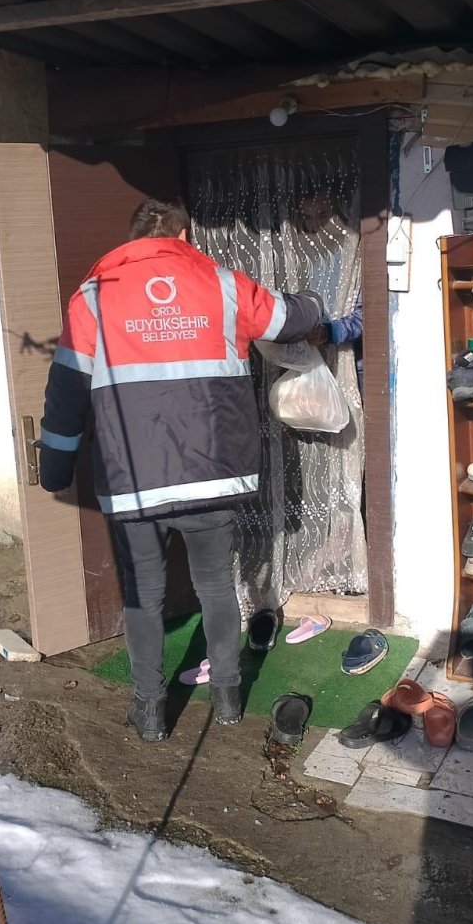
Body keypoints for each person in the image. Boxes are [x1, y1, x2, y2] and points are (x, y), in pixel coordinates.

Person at [36, 198, 323, 742]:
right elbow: (287, 319)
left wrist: (55, 467)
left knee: (143, 595)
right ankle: (229, 700)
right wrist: (314, 303)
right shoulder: (222, 284)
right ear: (184, 236)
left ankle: (150, 711)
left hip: (133, 482)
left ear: (132, 241)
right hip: (213, 473)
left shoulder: (94, 297)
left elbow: (66, 389)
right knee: (215, 586)